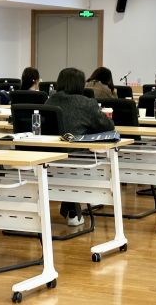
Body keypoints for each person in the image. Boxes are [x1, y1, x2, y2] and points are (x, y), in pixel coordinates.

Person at [46, 67, 115, 226]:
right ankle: (74, 211)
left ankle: (73, 211)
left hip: (49, 160)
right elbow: (108, 126)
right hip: (78, 162)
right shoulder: (86, 103)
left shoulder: (50, 100)